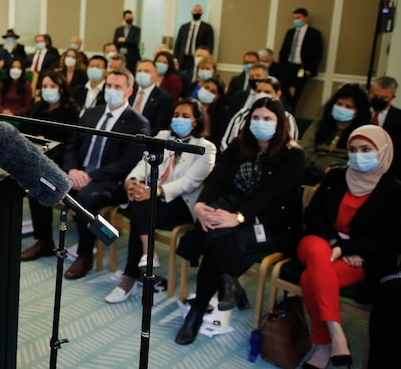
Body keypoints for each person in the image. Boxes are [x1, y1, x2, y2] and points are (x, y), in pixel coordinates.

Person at [175, 97, 305, 345]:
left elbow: (272, 196)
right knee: (213, 225)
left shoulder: (293, 155)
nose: (260, 123)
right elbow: (217, 180)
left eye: (267, 119)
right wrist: (202, 204)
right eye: (256, 117)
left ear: (280, 124)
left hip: (272, 220)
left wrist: (238, 218)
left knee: (215, 242)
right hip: (234, 208)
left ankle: (197, 311)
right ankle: (229, 283)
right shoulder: (240, 145)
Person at [296, 125, 400, 368]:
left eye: (366, 149)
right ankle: (337, 334)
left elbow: (388, 238)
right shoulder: (336, 176)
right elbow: (313, 217)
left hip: (362, 256)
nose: (358, 154)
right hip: (319, 242)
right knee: (317, 252)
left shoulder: (393, 190)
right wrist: (336, 242)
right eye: (353, 149)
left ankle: (323, 345)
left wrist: (349, 248)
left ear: (383, 151)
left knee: (311, 278)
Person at [105, 99, 217, 303]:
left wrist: (155, 191)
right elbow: (144, 163)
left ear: (196, 121)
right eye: (176, 115)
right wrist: (132, 181)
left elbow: (189, 183)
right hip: (150, 197)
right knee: (141, 204)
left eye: (185, 116)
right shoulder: (163, 136)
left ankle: (129, 278)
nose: (178, 119)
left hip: (182, 202)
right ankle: (148, 254)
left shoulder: (206, 148)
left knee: (141, 207)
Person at [58, 69, 151, 279]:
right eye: (109, 85)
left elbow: (128, 163)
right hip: (79, 172)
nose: (111, 90)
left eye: (117, 87)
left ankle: (85, 254)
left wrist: (91, 176)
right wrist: (73, 170)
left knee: (85, 199)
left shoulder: (138, 123)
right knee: (44, 181)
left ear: (129, 91)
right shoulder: (91, 113)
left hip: (111, 180)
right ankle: (43, 240)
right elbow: (72, 145)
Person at [19, 72, 81, 262]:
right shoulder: (38, 108)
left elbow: (71, 144)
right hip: (37, 158)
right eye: (44, 86)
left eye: (52, 86)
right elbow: (23, 131)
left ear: (61, 89)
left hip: (61, 163)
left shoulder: (71, 112)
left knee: (38, 183)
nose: (47, 90)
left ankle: (44, 241)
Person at [300, 83, 371, 185]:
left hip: (345, 179)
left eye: (348, 106)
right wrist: (323, 167)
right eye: (339, 104)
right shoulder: (319, 124)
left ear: (358, 112)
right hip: (312, 173)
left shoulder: (363, 132)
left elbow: (359, 162)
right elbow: (306, 151)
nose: (342, 108)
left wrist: (336, 172)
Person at [220, 76, 299, 151]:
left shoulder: (287, 118)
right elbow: (226, 142)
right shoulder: (242, 114)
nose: (262, 94)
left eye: (267, 92)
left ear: (278, 94)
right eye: (259, 91)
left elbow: (290, 145)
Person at [278, 7, 323, 111]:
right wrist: (282, 66)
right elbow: (284, 50)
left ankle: (290, 114)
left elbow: (317, 53)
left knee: (295, 96)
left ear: (305, 18)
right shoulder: (290, 32)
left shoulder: (314, 34)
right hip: (288, 66)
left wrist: (309, 70)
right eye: (294, 18)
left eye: (298, 17)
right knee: (284, 93)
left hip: (302, 68)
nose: (296, 20)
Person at [130, 59, 173, 135]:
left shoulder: (164, 98)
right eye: (139, 71)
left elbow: (159, 127)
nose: (142, 74)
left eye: (146, 71)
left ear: (156, 75)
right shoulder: (129, 92)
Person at [173, 4, 214, 84]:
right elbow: (178, 43)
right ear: (191, 12)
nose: (197, 12)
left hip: (198, 58)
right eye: (195, 10)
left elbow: (210, 44)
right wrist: (175, 57)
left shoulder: (207, 28)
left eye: (199, 11)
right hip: (183, 59)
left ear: (202, 13)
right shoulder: (184, 27)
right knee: (183, 78)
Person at [369, 76, 401, 175]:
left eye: (383, 98)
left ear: (392, 97)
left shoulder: (399, 117)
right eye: (375, 96)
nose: (378, 100)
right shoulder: (361, 113)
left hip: (389, 170)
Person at [196, 77, 230, 148]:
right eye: (206, 88)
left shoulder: (222, 112)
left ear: (217, 97)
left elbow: (218, 138)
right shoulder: (189, 105)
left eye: (213, 91)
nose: (208, 91)